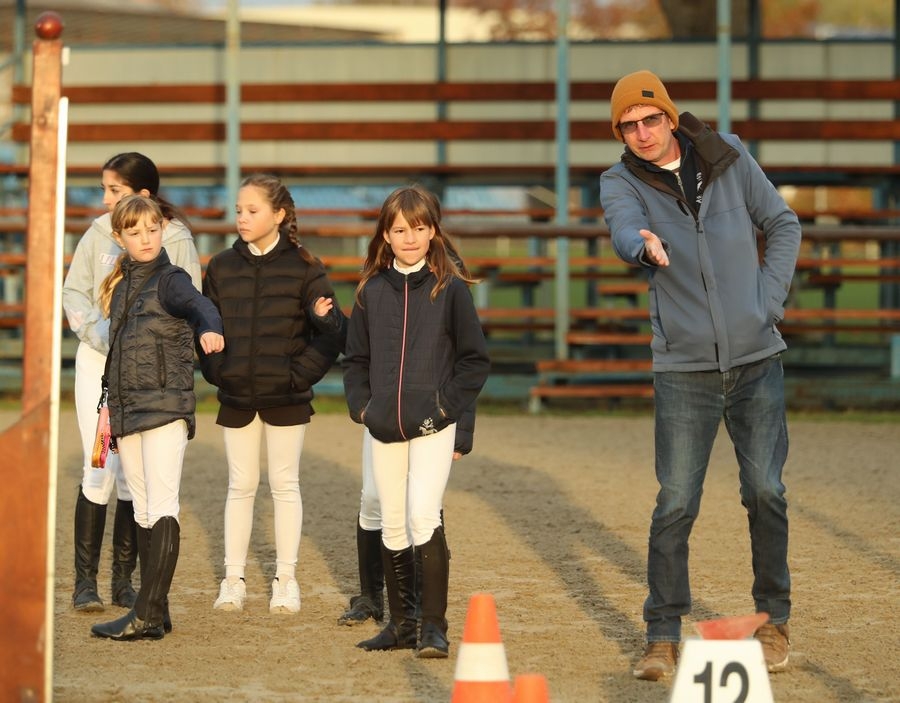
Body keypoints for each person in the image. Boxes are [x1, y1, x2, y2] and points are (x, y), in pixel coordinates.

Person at [599, 70, 801, 680]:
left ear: (669, 116)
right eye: (628, 126)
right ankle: (662, 636)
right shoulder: (619, 181)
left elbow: (783, 224)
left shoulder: (728, 155)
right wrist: (641, 243)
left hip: (756, 359)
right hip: (683, 367)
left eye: (650, 119)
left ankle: (773, 621)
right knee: (676, 502)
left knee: (765, 491)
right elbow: (623, 229)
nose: (642, 133)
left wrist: (766, 304)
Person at [342, 184, 490, 658]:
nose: (410, 238)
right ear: (386, 235)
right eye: (400, 229)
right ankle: (402, 624)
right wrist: (364, 409)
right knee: (391, 521)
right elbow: (355, 360)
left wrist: (445, 411)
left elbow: (474, 361)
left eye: (419, 228)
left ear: (433, 233)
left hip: (432, 427)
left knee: (423, 514)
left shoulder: (451, 290)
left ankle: (433, 627)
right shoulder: (370, 291)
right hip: (384, 426)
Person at [62, 152, 202, 612]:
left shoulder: (176, 240)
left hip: (144, 374)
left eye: (115, 190)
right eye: (103, 189)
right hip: (100, 368)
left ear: (144, 195)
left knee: (132, 478)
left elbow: (190, 303)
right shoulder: (99, 232)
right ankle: (85, 583)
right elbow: (74, 291)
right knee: (100, 463)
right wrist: (103, 333)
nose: (106, 199)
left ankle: (124, 580)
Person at [201, 173, 346, 615]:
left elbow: (333, 333)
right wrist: (221, 374)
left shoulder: (306, 267)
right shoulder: (221, 267)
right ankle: (233, 580)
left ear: (279, 214)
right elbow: (204, 329)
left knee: (285, 485)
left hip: (287, 398)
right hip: (237, 397)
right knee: (240, 486)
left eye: (252, 210)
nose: (242, 218)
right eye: (239, 210)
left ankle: (286, 580)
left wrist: (298, 377)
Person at [89, 195, 224, 640]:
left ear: (162, 229)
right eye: (134, 232)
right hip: (127, 410)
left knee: (162, 506)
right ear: (119, 237)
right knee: (143, 507)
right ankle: (155, 611)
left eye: (152, 229)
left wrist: (210, 328)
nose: (146, 239)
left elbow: (201, 306)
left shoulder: (172, 279)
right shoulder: (121, 285)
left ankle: (146, 613)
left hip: (165, 408)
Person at [337, 408, 474, 627]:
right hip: (383, 411)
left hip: (432, 417)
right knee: (372, 497)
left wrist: (463, 428)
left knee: (426, 504)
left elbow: (464, 385)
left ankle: (422, 599)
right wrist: (361, 407)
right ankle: (370, 596)